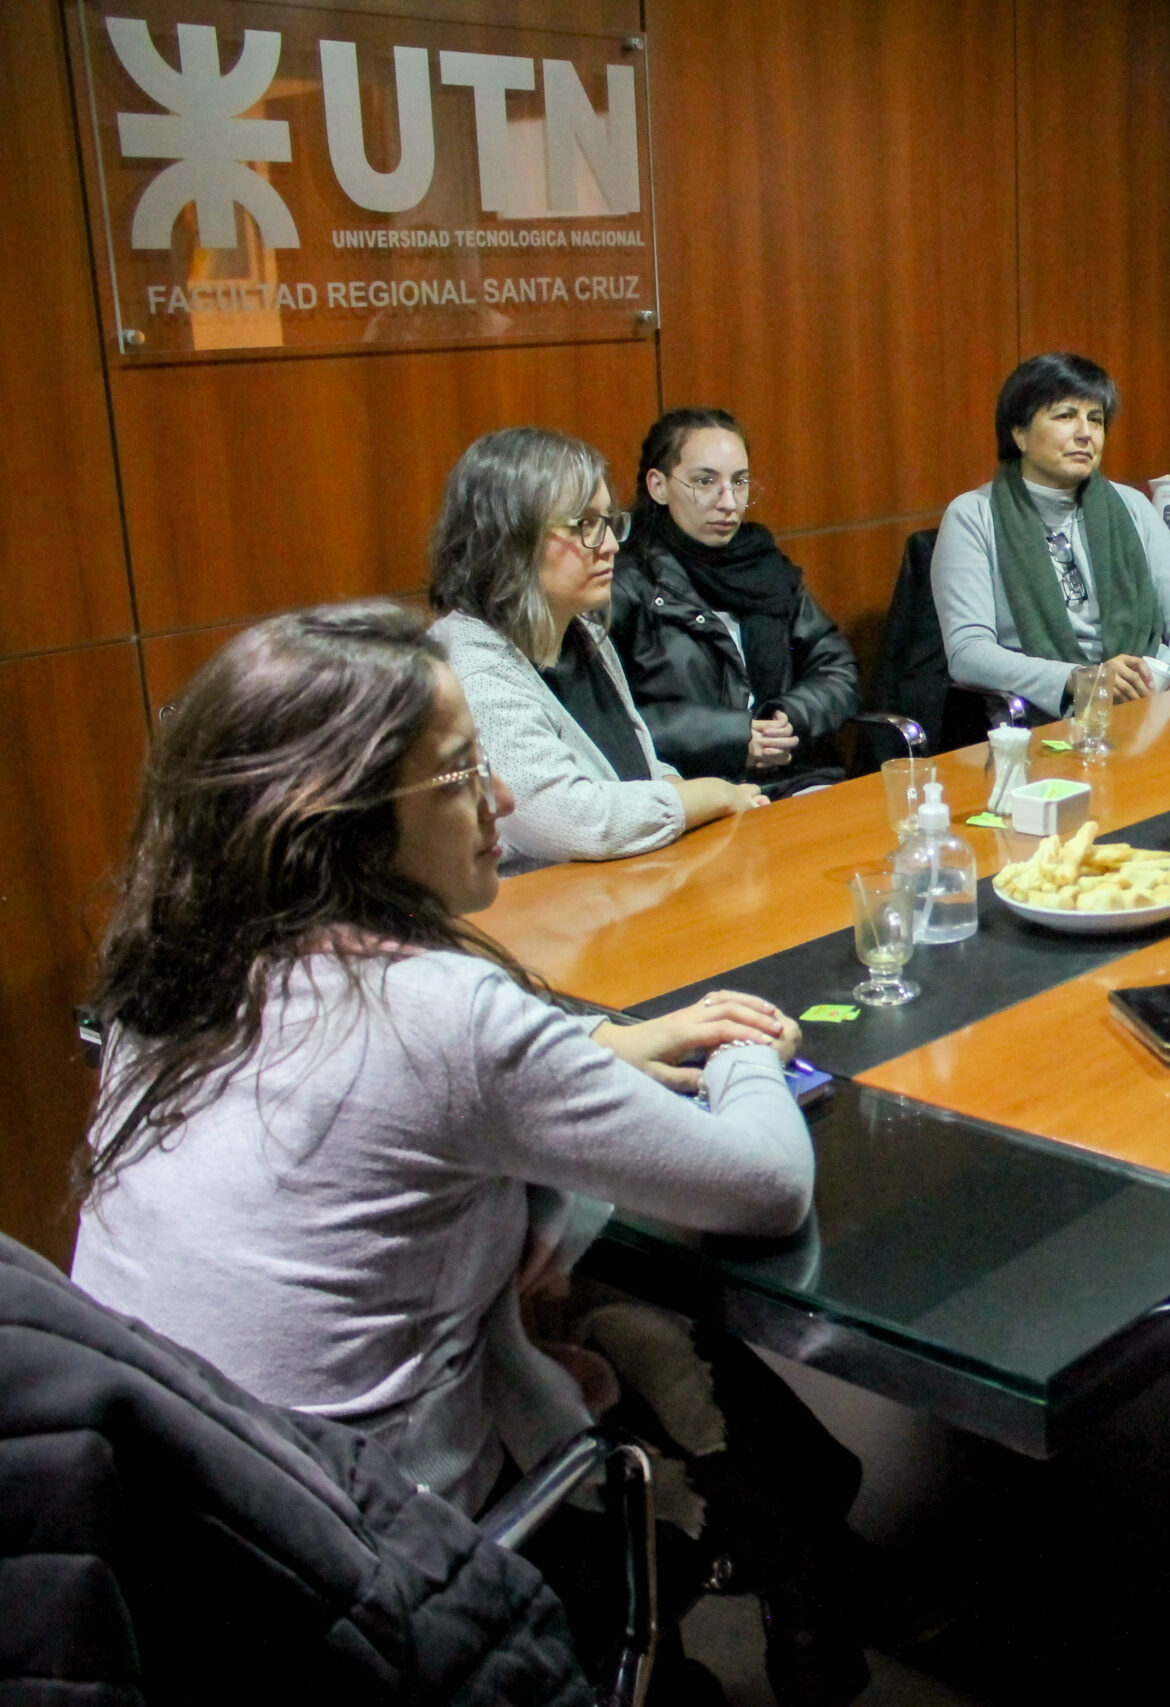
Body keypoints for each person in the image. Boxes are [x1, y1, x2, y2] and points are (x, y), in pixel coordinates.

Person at [68, 603, 875, 1705]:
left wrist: (587, 1057)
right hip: (378, 1573)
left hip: (174, 1556)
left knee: (602, 1296)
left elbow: (375, 1115)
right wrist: (746, 1042)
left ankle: (799, 1574)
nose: (500, 799)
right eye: (458, 776)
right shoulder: (439, 1014)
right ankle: (801, 1596)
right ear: (336, 819)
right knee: (672, 1333)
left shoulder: (168, 980)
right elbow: (765, 1188)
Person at [428, 426, 764, 869]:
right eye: (583, 525)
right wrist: (713, 794)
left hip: (625, 889)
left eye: (607, 522)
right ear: (510, 538)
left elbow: (640, 769)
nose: (607, 546)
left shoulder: (583, 631)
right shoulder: (471, 669)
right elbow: (572, 821)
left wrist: (686, 794)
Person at [930, 352, 1170, 718]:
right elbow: (967, 653)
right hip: (1046, 716)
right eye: (1065, 416)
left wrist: (1160, 673)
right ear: (1019, 434)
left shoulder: (1132, 507)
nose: (1085, 433)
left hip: (1150, 706)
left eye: (1095, 420)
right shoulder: (973, 516)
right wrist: (1081, 679)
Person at [611, 407, 863, 796]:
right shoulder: (626, 585)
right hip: (694, 792)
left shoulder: (766, 569)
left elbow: (836, 668)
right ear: (658, 485)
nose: (729, 502)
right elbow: (612, 720)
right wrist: (734, 737)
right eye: (705, 481)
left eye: (740, 482)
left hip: (796, 777)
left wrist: (788, 717)